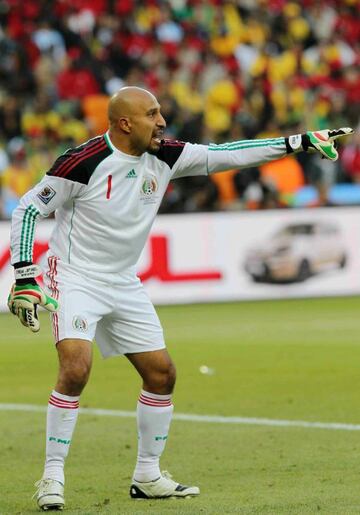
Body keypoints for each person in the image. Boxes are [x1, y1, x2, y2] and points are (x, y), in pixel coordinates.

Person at [7, 86, 353, 511]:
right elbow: (27, 209)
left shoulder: (166, 154)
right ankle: (52, 476)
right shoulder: (83, 162)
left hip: (123, 281)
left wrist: (296, 143)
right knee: (76, 369)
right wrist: (25, 275)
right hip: (75, 276)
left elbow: (229, 153)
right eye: (152, 114)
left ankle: (148, 475)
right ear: (124, 123)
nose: (162, 122)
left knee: (161, 375)